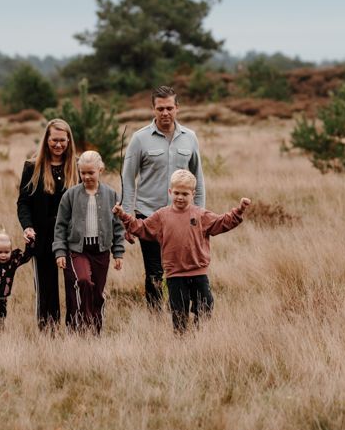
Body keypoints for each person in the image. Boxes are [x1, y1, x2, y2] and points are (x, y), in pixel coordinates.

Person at [113, 170, 249, 333]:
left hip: (198, 271)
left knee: (206, 305)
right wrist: (123, 216)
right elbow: (142, 228)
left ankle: (201, 335)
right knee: (179, 312)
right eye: (176, 193)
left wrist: (239, 211)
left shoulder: (200, 215)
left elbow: (221, 222)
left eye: (185, 194)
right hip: (175, 274)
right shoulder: (162, 216)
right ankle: (181, 339)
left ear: (193, 194)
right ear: (170, 192)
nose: (180, 197)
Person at [120, 85, 206, 311]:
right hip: (148, 216)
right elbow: (128, 179)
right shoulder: (139, 139)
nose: (165, 113)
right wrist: (128, 218)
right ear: (153, 109)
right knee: (155, 272)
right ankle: (156, 317)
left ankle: (182, 314)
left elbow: (198, 177)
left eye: (169, 108)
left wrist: (201, 216)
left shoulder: (190, 138)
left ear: (177, 108)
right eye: (160, 108)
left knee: (183, 269)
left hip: (183, 218)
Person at [16, 118, 79, 330]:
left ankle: (77, 329)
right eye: (54, 140)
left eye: (62, 140)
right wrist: (27, 226)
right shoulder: (32, 167)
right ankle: (48, 331)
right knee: (46, 288)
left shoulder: (78, 167)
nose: (58, 145)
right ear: (47, 140)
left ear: (69, 141)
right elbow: (23, 203)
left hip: (72, 238)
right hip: (42, 237)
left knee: (75, 284)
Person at [53, 150, 124, 333]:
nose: (86, 177)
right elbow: (60, 225)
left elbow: (117, 226)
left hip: (101, 251)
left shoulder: (111, 195)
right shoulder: (71, 195)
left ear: (100, 170)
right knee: (83, 281)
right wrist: (60, 252)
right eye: (82, 173)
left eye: (90, 172)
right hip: (78, 249)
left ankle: (95, 329)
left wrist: (118, 253)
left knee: (98, 292)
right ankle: (80, 327)